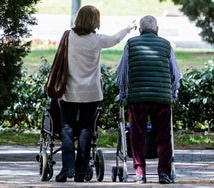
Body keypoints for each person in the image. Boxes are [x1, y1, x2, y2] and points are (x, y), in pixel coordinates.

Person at [55, 5, 136, 182]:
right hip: (91, 93)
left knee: (67, 128)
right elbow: (115, 39)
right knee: (86, 129)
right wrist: (128, 28)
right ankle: (81, 171)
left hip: (69, 92)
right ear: (95, 21)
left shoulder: (68, 37)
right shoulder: (97, 40)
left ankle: (67, 167)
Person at [117, 15, 180, 184]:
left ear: (139, 30)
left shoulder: (131, 44)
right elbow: (175, 74)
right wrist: (172, 93)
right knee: (164, 136)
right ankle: (164, 173)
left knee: (137, 135)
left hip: (138, 99)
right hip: (162, 99)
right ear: (157, 29)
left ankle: (140, 173)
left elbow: (123, 73)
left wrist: (123, 93)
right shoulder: (166, 45)